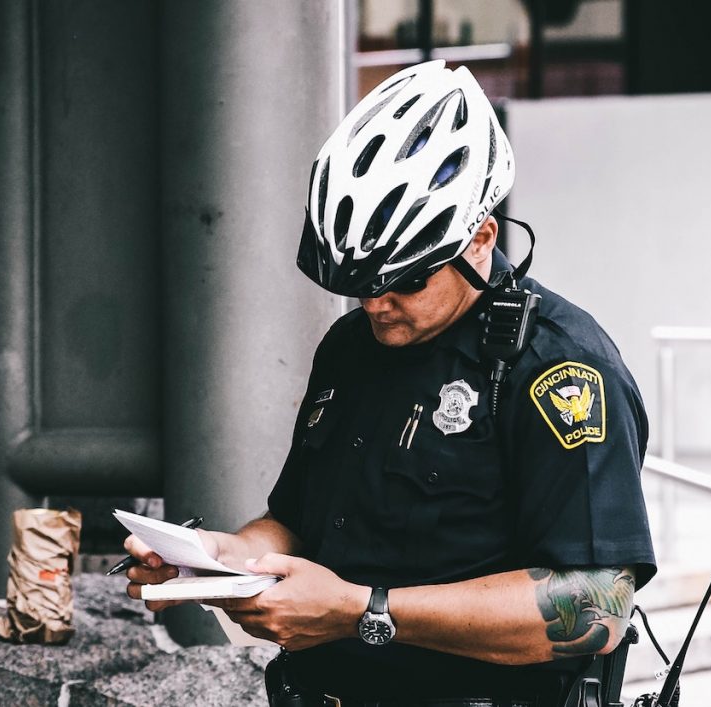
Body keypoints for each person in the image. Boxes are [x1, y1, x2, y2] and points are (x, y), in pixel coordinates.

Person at [125, 60, 656, 705]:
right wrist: (219, 558)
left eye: (405, 280)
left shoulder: (558, 368)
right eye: (359, 285)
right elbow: (294, 523)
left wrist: (359, 611)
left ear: (481, 238)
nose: (377, 305)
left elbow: (595, 610)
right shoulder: (354, 347)